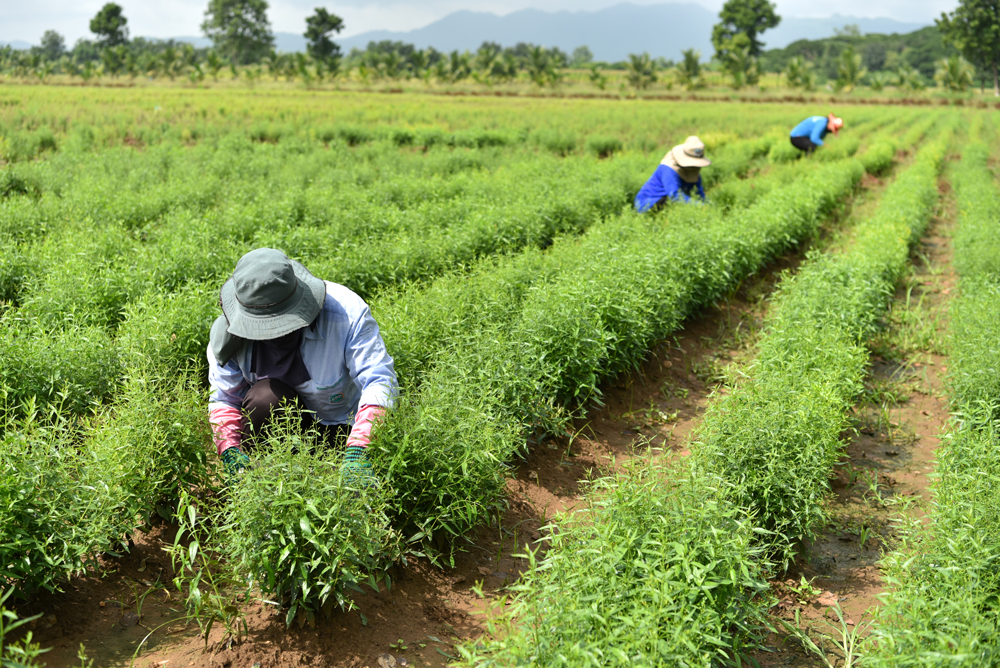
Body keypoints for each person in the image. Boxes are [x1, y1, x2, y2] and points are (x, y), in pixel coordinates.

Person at [207, 247, 397, 486]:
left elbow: (379, 380)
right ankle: (272, 479)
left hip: (343, 425)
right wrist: (230, 449)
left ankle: (351, 459)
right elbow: (224, 399)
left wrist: (360, 448)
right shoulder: (228, 337)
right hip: (281, 430)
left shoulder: (344, 314)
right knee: (264, 398)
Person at [634, 136, 711, 212]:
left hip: (669, 202)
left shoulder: (694, 171)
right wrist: (699, 205)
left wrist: (709, 206)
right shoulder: (668, 169)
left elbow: (699, 193)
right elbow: (675, 196)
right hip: (649, 203)